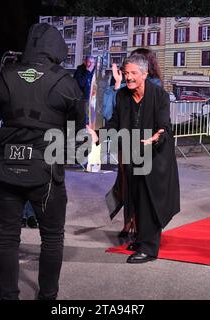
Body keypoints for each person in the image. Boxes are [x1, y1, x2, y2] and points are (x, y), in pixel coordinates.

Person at [0, 23, 85, 300]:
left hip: (6, 169)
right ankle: (47, 297)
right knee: (52, 238)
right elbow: (77, 137)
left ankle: (9, 297)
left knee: (7, 238)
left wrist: (4, 136)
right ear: (58, 48)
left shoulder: (3, 76)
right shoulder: (66, 82)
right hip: (47, 173)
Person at [88, 54, 180, 264]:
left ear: (145, 74)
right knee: (135, 199)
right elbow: (115, 124)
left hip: (155, 156)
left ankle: (149, 249)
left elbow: (164, 126)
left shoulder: (159, 96)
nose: (128, 77)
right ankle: (140, 239)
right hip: (132, 154)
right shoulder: (122, 96)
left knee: (149, 201)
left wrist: (156, 137)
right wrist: (97, 136)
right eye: (126, 73)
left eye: (133, 73)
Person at [102, 48, 163, 239]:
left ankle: (141, 224)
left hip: (145, 144)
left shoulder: (154, 86)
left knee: (142, 186)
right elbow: (110, 113)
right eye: (127, 71)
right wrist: (117, 83)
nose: (129, 74)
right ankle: (129, 220)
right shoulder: (124, 89)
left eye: (133, 69)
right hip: (126, 142)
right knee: (126, 183)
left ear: (145, 67)